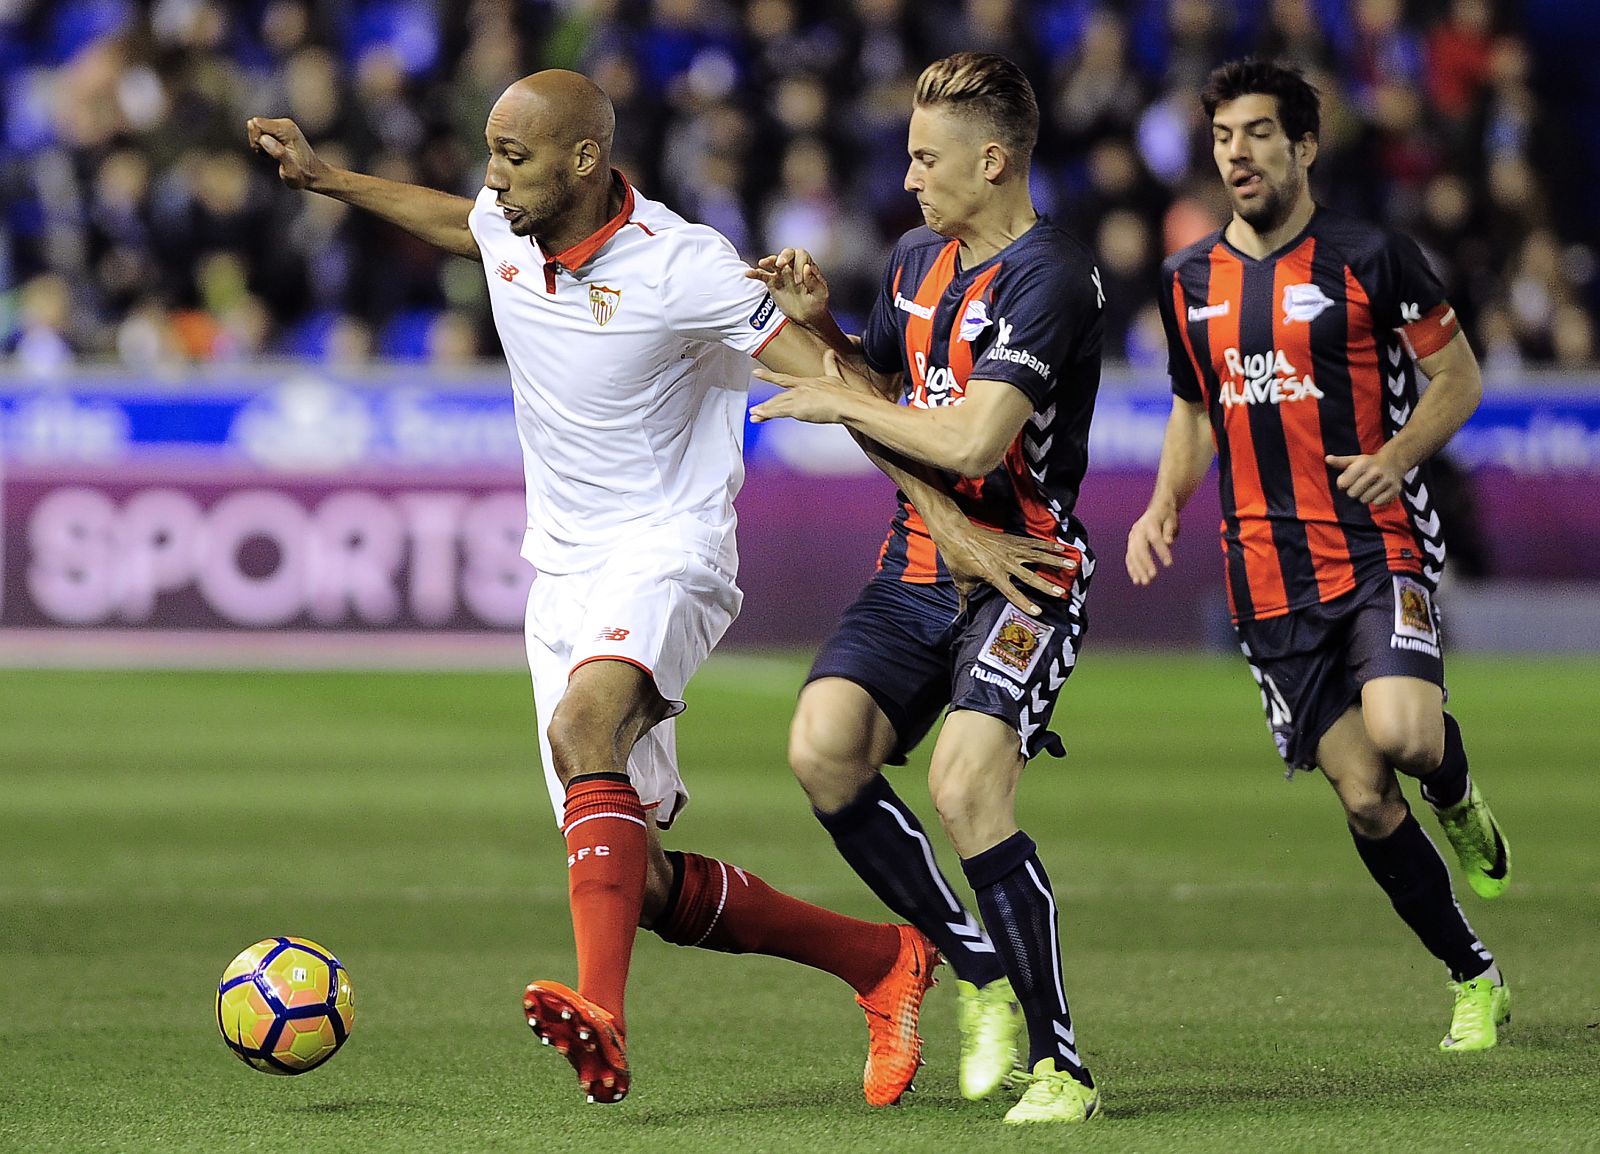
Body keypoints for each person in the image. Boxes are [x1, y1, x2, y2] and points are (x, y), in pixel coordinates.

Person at [246, 70, 1038, 1107]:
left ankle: (604, 1014)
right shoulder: (511, 225)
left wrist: (940, 514)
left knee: (583, 731)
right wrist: (328, 179)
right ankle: (881, 960)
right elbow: (460, 223)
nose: (493, 179)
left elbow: (834, 383)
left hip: (670, 546)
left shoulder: (683, 265)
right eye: (490, 154)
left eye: (513, 157)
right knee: (639, 878)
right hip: (563, 570)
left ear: (585, 159)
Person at [1125, 58, 1512, 1051]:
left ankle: (1456, 792)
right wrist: (1163, 503)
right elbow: (1193, 407)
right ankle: (1473, 976)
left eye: (1258, 133)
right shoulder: (1187, 281)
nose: (1237, 153)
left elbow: (1458, 379)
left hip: (1376, 544)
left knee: (1406, 735)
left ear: (1303, 145)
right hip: (1265, 576)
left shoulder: (1374, 256)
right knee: (1365, 796)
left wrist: (1395, 456)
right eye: (1223, 137)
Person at [749, 52, 1106, 1124]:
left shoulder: (1052, 278)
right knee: (821, 747)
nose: (908, 178)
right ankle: (974, 966)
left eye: (925, 157)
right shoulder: (913, 257)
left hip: (1022, 573)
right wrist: (823, 332)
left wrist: (837, 402)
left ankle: (1062, 1067)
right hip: (914, 564)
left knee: (964, 786)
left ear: (992, 160)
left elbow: (971, 437)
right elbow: (885, 388)